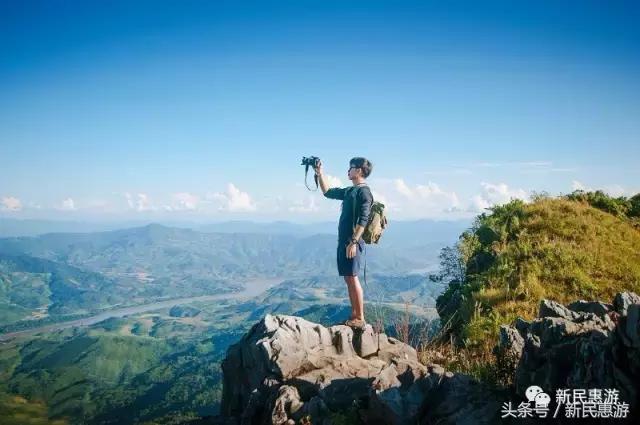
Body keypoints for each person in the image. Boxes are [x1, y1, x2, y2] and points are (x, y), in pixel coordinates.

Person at [314, 157, 373, 329]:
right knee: (348, 278)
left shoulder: (364, 193)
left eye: (351, 167)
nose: (348, 170)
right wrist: (320, 174)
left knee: (353, 278)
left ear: (360, 171)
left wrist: (354, 241)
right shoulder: (349, 191)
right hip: (345, 242)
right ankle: (354, 314)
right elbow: (327, 192)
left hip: (352, 242)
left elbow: (364, 219)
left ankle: (360, 317)